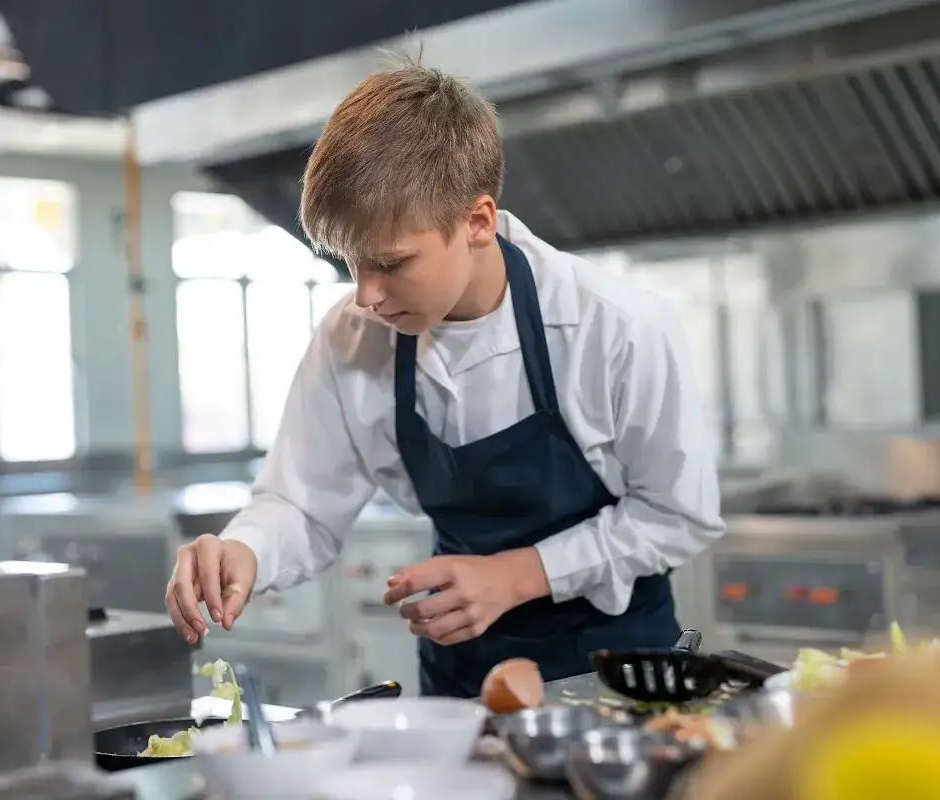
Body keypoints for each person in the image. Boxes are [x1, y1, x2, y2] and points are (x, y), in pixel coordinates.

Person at [165, 59, 725, 699]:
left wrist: (516, 575)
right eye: (350, 262)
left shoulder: (616, 326)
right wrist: (247, 551)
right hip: (460, 687)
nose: (366, 294)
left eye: (391, 262)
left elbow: (679, 515)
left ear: (478, 222)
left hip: (615, 684)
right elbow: (301, 504)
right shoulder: (352, 338)